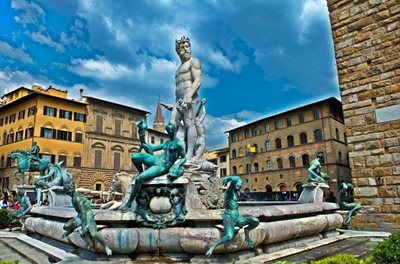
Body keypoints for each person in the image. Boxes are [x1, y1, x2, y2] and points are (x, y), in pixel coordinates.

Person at [120, 122, 187, 213]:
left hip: (163, 166)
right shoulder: (166, 142)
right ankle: (141, 172)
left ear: (175, 130)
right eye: (168, 130)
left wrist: (177, 165)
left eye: (172, 130)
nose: (170, 132)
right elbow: (152, 148)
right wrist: (142, 138)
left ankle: (128, 203)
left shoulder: (178, 144)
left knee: (139, 179)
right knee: (135, 157)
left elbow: (184, 157)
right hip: (157, 159)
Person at [206, 176, 259, 257]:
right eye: (239, 183)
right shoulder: (229, 192)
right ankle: (212, 248)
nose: (240, 185)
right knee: (229, 236)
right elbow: (234, 180)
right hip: (229, 217)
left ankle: (247, 233)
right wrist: (229, 178)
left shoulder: (235, 192)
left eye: (241, 184)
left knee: (255, 221)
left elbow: (235, 182)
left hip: (237, 218)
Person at [171, 36, 202, 160]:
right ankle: (177, 152)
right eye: (183, 47)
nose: (186, 49)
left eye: (188, 46)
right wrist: (173, 104)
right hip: (178, 101)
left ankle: (189, 154)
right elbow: (178, 89)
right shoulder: (178, 70)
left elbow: (198, 80)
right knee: (172, 125)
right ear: (178, 51)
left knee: (189, 123)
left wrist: (189, 95)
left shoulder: (194, 62)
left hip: (190, 97)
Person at [63, 182, 112, 255]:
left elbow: (83, 212)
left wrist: (84, 226)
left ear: (72, 189)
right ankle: (73, 230)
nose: (68, 192)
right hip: (80, 216)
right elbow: (80, 213)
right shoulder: (73, 197)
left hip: (88, 215)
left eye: (69, 190)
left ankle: (106, 247)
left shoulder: (77, 198)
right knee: (66, 226)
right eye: (66, 191)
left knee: (94, 234)